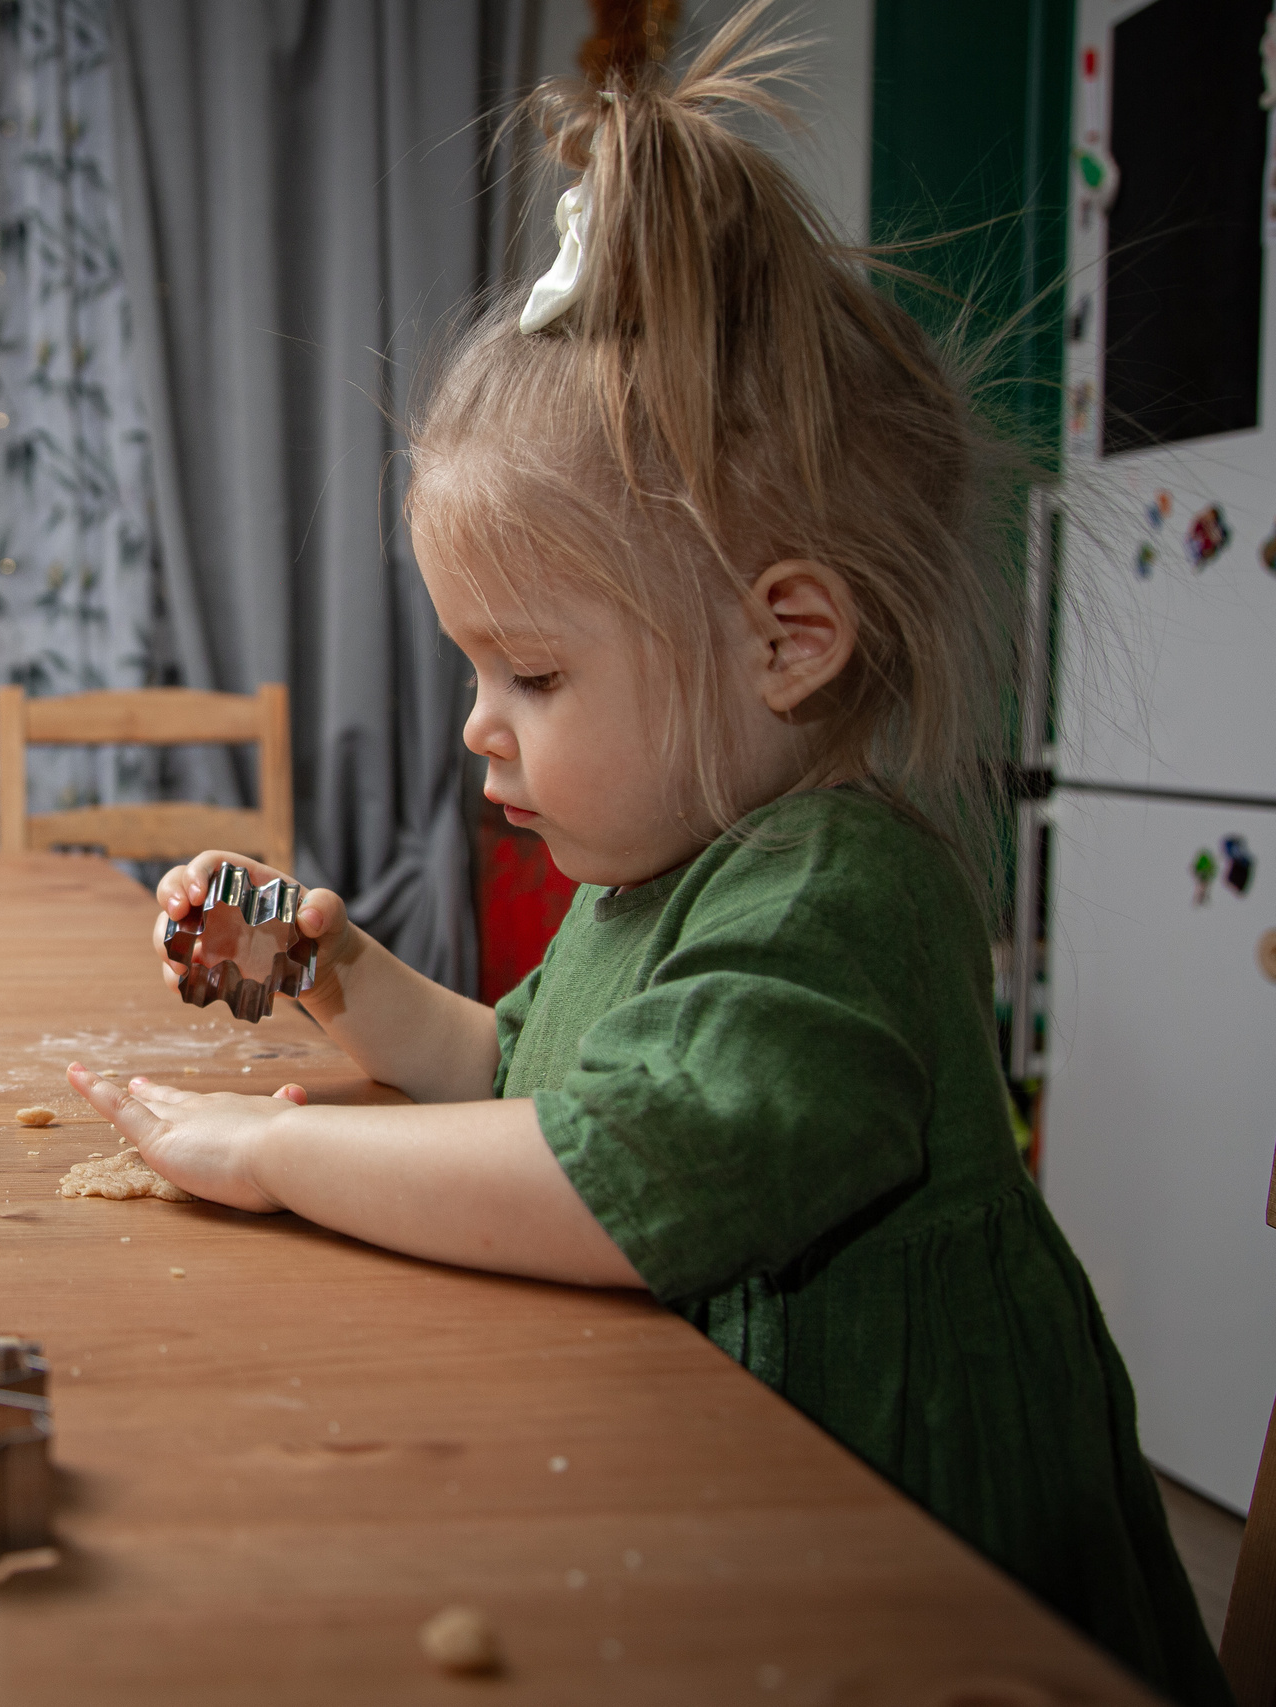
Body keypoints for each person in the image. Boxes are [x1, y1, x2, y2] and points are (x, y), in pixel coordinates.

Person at [64, 10, 1232, 1700]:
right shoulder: (662, 875)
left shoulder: (835, 899)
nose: (480, 724)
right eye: (476, 669)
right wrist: (335, 977)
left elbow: (607, 1190)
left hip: (934, 1598)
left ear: (789, 641)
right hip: (742, 1510)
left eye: (532, 674)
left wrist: (269, 1158)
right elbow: (519, 1073)